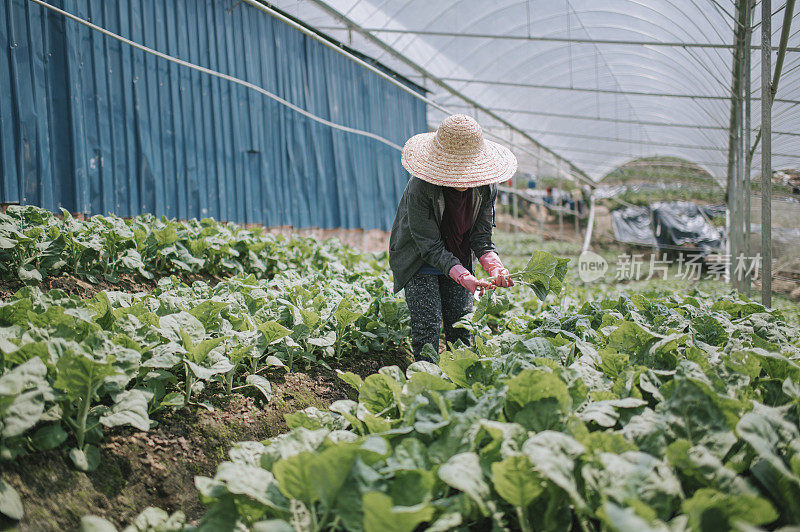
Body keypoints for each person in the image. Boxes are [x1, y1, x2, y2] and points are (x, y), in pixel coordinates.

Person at [388, 114, 517, 361]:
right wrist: (465, 277)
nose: (463, 179)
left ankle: (458, 386)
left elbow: (482, 237)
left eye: (468, 170)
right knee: (428, 327)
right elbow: (428, 245)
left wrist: (494, 267)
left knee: (461, 326)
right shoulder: (421, 187)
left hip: (459, 254)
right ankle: (424, 383)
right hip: (420, 259)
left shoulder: (486, 186)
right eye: (456, 170)